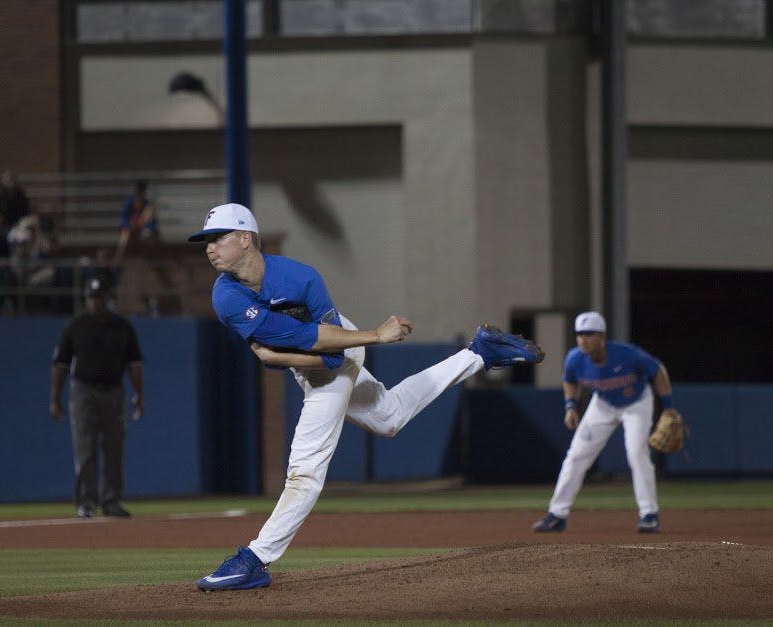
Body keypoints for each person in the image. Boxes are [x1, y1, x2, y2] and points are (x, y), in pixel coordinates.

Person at [188, 203, 545, 591]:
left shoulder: (301, 277)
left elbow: (331, 352)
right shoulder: (225, 296)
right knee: (389, 417)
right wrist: (375, 335)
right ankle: (479, 352)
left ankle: (255, 559)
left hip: (339, 350)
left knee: (305, 468)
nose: (209, 247)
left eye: (217, 238)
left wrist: (350, 341)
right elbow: (269, 352)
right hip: (313, 359)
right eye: (206, 240)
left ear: (245, 239)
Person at [532, 311, 677, 534]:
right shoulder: (575, 358)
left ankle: (649, 514)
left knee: (636, 453)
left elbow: (658, 371)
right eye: (580, 334)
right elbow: (569, 381)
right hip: (603, 404)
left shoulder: (627, 355)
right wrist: (570, 406)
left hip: (636, 404)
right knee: (576, 456)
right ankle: (557, 514)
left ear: (602, 336)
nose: (583, 339)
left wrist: (668, 407)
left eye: (589, 334)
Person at [49, 278, 145, 518]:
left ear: (106, 299)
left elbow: (134, 363)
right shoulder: (75, 326)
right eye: (91, 298)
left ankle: (111, 501)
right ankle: (86, 501)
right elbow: (60, 365)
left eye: (99, 297)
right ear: (86, 300)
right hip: (83, 392)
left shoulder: (122, 326)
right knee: (85, 450)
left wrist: (139, 394)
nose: (95, 302)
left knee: (114, 449)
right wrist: (55, 398)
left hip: (114, 391)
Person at [113, 179, 159, 266]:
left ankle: (150, 260)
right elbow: (124, 219)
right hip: (130, 229)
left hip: (142, 230)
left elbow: (152, 223)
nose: (140, 193)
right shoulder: (129, 202)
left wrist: (148, 228)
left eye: (142, 191)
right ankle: (117, 261)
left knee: (150, 235)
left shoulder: (147, 204)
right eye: (139, 191)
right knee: (124, 237)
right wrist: (129, 227)